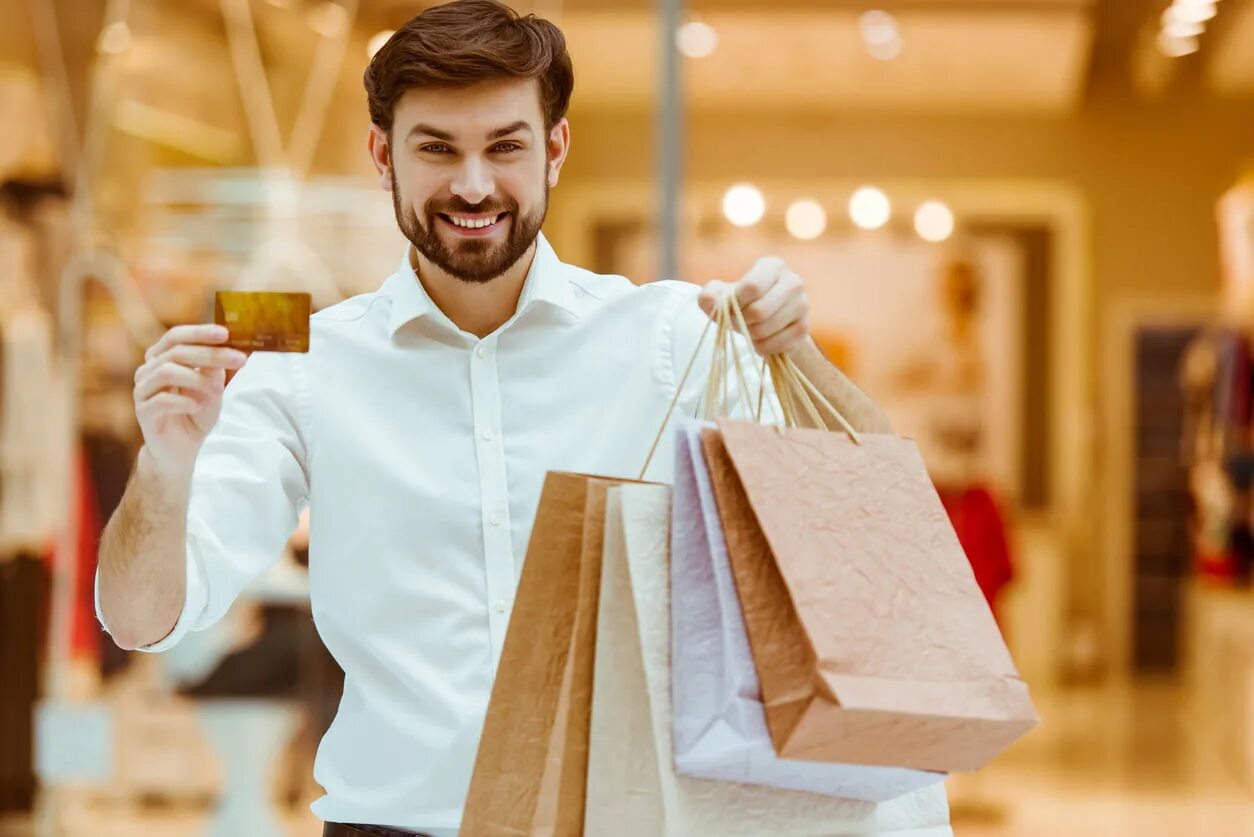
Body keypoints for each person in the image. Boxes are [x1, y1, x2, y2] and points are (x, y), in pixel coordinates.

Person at [95, 2, 895, 835]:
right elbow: (142, 617)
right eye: (437, 147)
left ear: (555, 149)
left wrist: (798, 353)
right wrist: (164, 465)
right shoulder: (305, 366)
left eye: (505, 146)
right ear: (383, 156)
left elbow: (858, 531)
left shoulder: (668, 334)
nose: (472, 185)